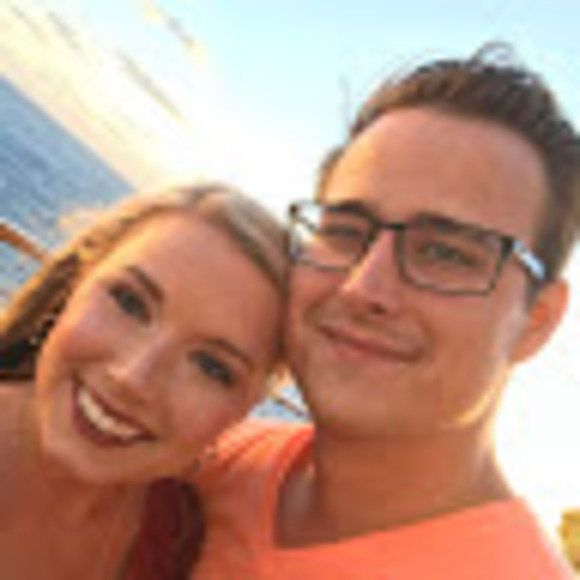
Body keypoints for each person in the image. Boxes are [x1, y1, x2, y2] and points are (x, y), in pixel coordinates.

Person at [192, 44, 579, 578]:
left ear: (537, 321)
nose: (363, 288)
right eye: (345, 231)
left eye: (445, 253)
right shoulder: (211, 467)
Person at [0, 182, 287, 579]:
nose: (132, 379)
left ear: (244, 409)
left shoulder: (178, 541)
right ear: (76, 282)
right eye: (129, 302)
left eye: (210, 367)